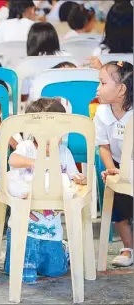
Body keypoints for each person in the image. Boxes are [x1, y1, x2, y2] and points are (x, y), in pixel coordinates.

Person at [5, 98, 87, 283]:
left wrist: (79, 178)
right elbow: (13, 160)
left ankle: (63, 252)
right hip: (23, 224)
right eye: (44, 133)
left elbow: (74, 177)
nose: (50, 139)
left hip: (52, 226)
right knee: (21, 273)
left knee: (55, 271)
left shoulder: (64, 153)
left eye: (55, 134)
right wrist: (34, 162)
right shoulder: (27, 148)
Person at [94, 61, 133, 267]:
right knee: (119, 204)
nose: (97, 89)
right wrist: (112, 169)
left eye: (102, 83)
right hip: (117, 163)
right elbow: (103, 146)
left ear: (121, 89)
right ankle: (128, 247)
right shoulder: (101, 112)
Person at [21, 22, 70, 102]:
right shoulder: (68, 57)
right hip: (64, 108)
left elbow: (24, 96)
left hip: (37, 110)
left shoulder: (28, 62)